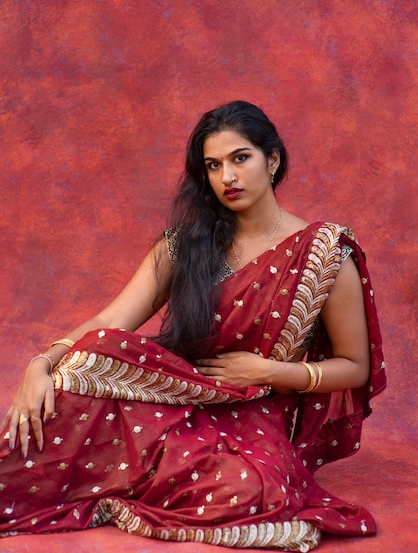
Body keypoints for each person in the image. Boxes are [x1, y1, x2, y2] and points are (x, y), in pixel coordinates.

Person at [0, 100, 385, 551]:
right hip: (170, 400)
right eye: (214, 165)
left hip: (252, 411)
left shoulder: (323, 251)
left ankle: (128, 478)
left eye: (241, 158)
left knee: (251, 491)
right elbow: (108, 320)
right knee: (96, 351)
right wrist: (41, 363)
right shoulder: (185, 245)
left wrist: (268, 372)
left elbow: (355, 366)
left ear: (273, 160)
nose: (228, 177)